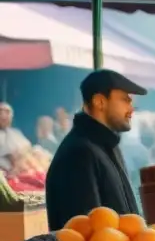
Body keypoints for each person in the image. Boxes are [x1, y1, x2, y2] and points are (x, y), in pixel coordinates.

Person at [45, 69, 144, 231]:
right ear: (100, 102)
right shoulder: (78, 153)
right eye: (125, 100)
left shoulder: (107, 146)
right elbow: (85, 235)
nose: (132, 109)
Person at [0, 102, 31, 173]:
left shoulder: (16, 132)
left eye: (7, 112)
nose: (4, 116)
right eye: (0, 112)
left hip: (24, 170)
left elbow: (28, 146)